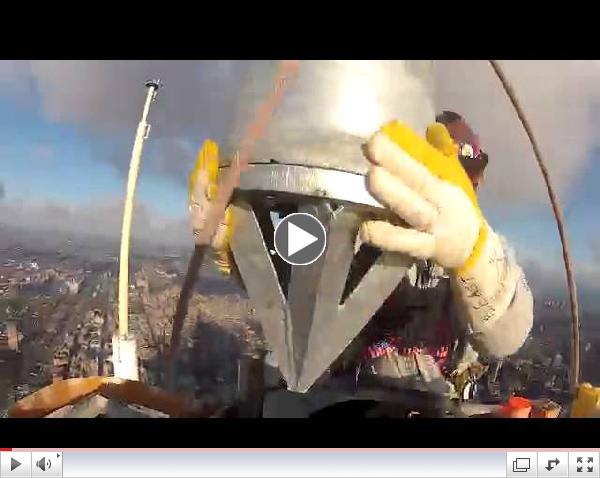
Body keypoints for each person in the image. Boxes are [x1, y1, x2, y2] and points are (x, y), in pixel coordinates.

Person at [348, 111, 534, 398]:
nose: (479, 183)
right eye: (470, 171)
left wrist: (472, 255)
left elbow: (508, 336)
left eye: (475, 171)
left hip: (439, 397)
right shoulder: (368, 230)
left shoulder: (486, 246)